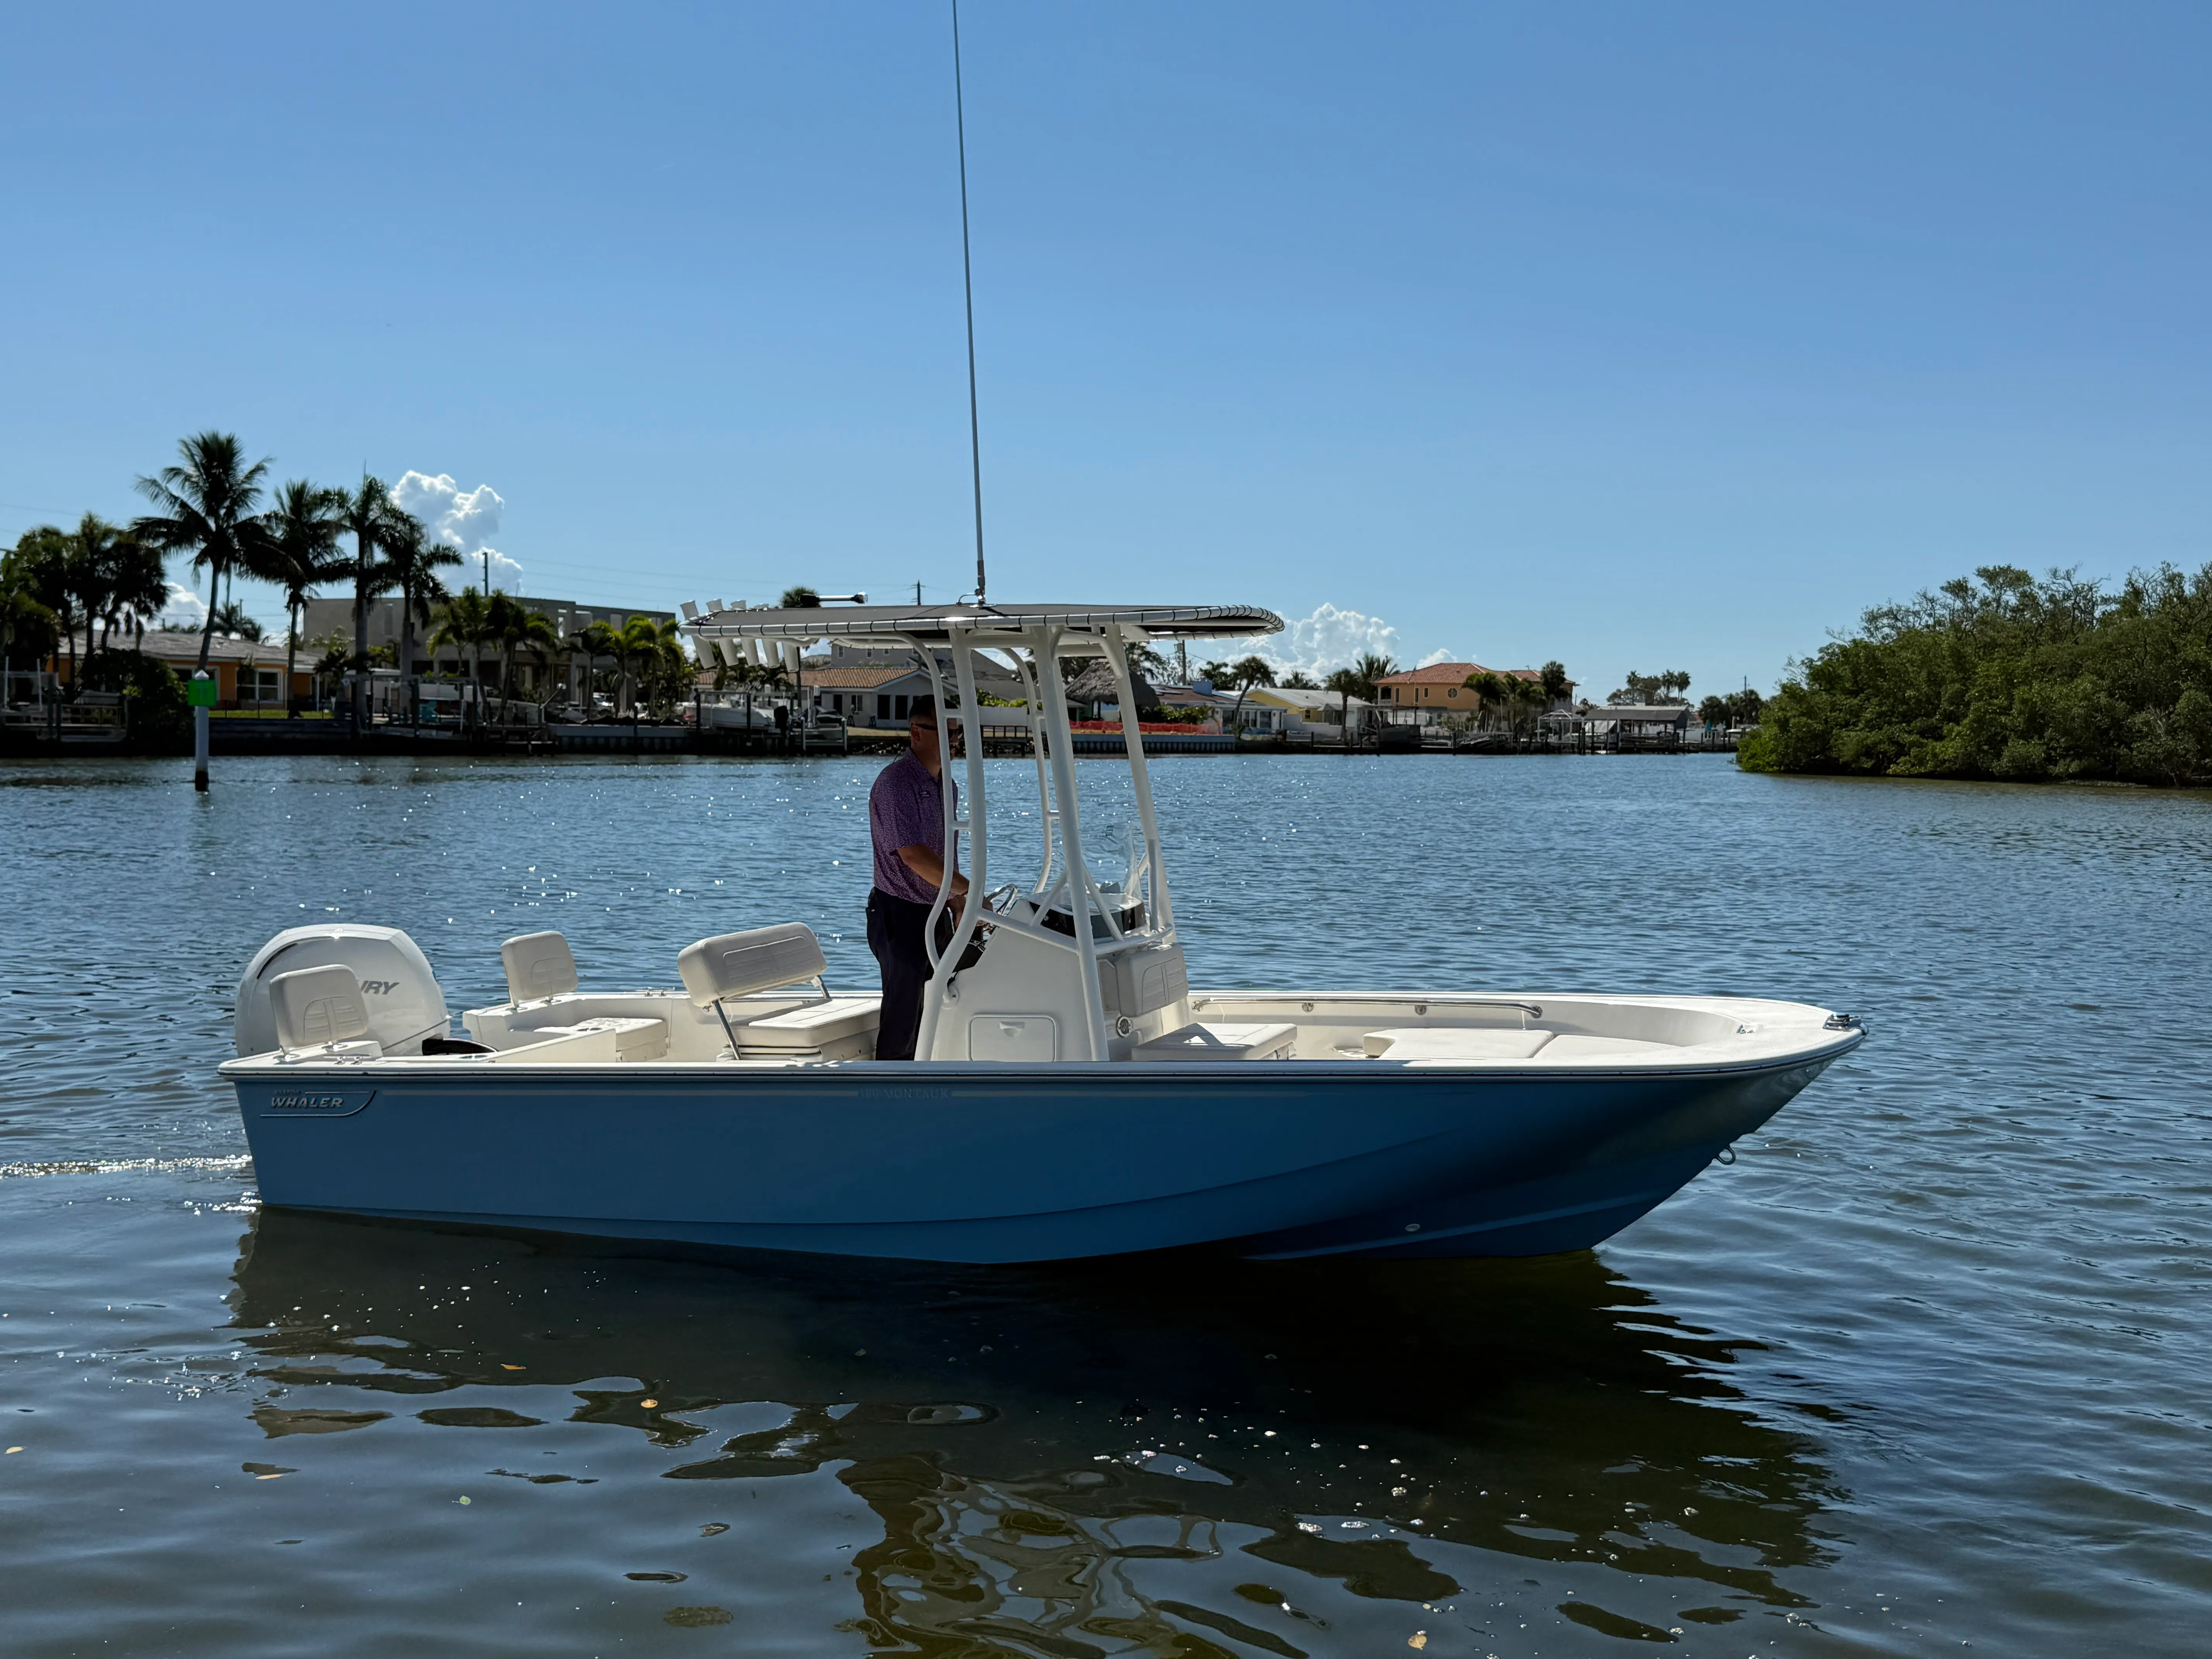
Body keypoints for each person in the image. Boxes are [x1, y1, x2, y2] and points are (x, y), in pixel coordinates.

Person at [866, 696, 966, 1060]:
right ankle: (889, 1095)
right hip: (899, 913)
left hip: (936, 910)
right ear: (916, 733)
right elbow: (914, 856)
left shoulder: (948, 787)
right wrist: (966, 888)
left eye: (958, 733)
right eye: (947, 732)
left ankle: (925, 1080)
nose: (956, 741)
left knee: (938, 1007)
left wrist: (958, 901)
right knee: (904, 1014)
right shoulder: (895, 783)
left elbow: (943, 856)